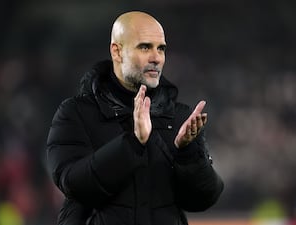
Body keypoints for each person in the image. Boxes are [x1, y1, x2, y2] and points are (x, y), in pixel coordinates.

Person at [46, 11, 224, 225]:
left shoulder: (179, 117)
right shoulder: (76, 114)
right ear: (117, 51)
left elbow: (202, 200)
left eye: (161, 49)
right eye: (145, 47)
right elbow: (74, 186)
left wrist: (188, 153)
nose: (156, 57)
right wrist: (133, 143)